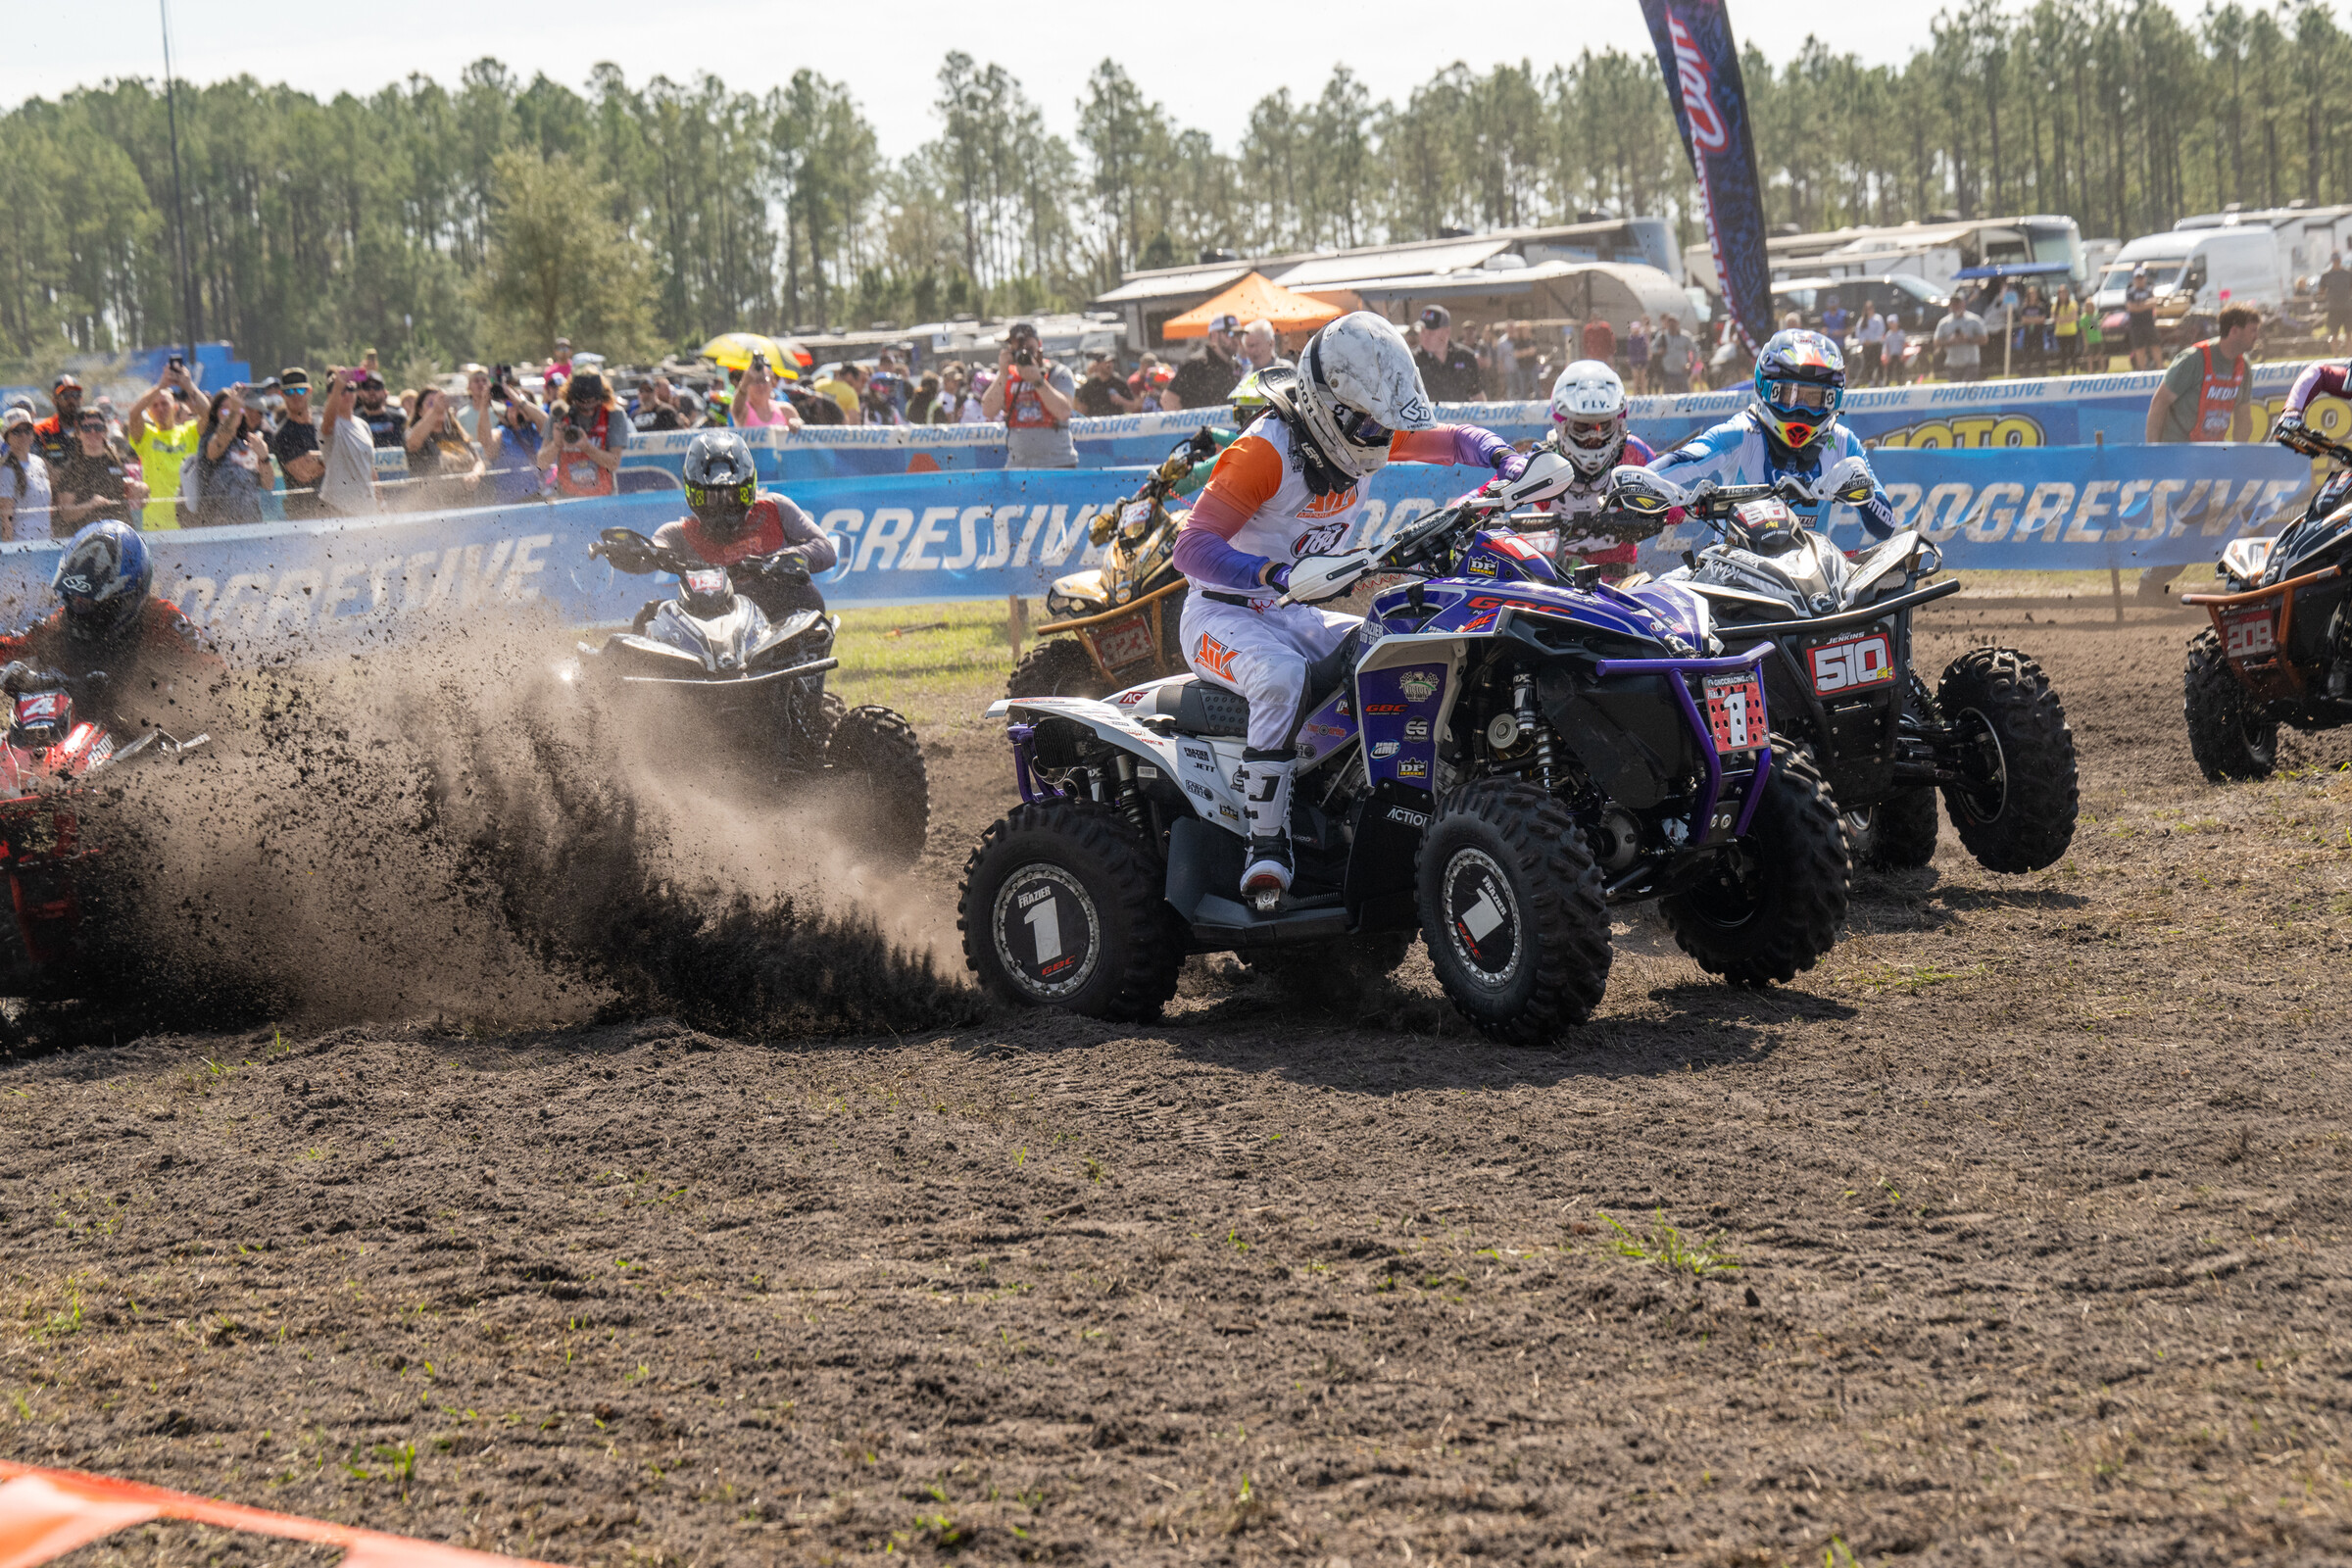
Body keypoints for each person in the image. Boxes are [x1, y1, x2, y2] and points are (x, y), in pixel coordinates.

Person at [1171, 311, 1528, 900]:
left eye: (1384, 426)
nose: (1379, 439)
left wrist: (1504, 459)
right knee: (1282, 679)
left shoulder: (1370, 423)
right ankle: (1266, 843)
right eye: (1368, 425)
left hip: (1294, 611)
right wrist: (1273, 572)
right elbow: (1191, 546)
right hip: (1222, 612)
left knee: (1393, 645)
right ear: (1327, 405)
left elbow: (1456, 439)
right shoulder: (1264, 452)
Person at [1643, 328, 1897, 543]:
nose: (1801, 409)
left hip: (1810, 580)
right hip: (1732, 577)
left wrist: (1866, 495)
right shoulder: (1741, 433)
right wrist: (1641, 482)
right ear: (1764, 388)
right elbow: (1685, 459)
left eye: (1815, 398)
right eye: (1788, 395)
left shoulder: (1843, 443)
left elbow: (1886, 527)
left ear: (1833, 399)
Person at [0, 522, 224, 727]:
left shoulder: (162, 620)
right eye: (75, 599)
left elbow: (217, 674)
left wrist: (165, 691)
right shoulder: (61, 623)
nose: (80, 610)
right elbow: (10, 644)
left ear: (125, 599)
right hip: (69, 734)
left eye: (90, 601)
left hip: (142, 734)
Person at [654, 429, 838, 621]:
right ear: (694, 494)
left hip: (775, 622)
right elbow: (654, 547)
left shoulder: (776, 507)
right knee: (652, 615)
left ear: (748, 489)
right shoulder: (678, 532)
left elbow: (825, 549)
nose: (723, 506)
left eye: (732, 496)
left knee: (806, 597)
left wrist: (782, 559)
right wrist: (644, 552)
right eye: (712, 497)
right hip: (711, 624)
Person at [1531, 361, 1657, 578]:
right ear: (1563, 424)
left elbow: (1676, 503)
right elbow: (1488, 495)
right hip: (1558, 585)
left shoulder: (1634, 454)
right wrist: (1459, 514)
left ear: (1618, 422)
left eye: (1602, 425)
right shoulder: (1543, 461)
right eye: (1582, 426)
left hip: (1622, 585)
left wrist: (1646, 514)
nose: (1594, 436)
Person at [2146, 305, 2261, 444]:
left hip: (2210, 450)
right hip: (2177, 448)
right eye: (2253, 331)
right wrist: (2153, 450)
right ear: (2234, 331)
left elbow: (2243, 418)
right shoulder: (2193, 359)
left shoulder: (2243, 366)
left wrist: (2237, 456)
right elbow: (2159, 402)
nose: (2257, 336)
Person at [981, 321, 1078, 468]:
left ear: (1039, 344)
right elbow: (988, 410)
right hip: (1018, 465)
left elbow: (1064, 412)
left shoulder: (1057, 372)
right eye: (1017, 345)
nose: (1022, 349)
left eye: (1027, 344)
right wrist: (1002, 373)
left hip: (1057, 463)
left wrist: (1038, 381)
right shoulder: (1008, 376)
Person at [125, 366, 203, 529]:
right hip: (156, 525)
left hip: (188, 522)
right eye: (154, 406)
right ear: (150, 412)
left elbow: (209, 413)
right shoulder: (147, 436)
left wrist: (188, 386)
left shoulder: (189, 431)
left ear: (175, 407)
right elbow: (133, 414)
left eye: (165, 404)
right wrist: (160, 386)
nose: (160, 409)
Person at [190, 385, 271, 525]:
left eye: (236, 408)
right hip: (217, 526)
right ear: (215, 413)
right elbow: (221, 440)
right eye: (225, 408)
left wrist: (264, 458)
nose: (230, 413)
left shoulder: (248, 443)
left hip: (252, 523)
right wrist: (234, 411)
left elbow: (268, 484)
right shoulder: (209, 440)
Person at [53, 409, 143, 534]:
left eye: (98, 427)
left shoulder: (117, 461)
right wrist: (90, 505)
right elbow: (66, 514)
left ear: (105, 431)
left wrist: (141, 489)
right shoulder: (72, 469)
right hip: (89, 538)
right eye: (86, 428)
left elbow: (137, 500)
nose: (93, 431)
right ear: (78, 433)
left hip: (121, 534)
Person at [470, 370, 552, 504]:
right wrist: (484, 405)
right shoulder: (503, 433)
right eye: (509, 404)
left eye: (517, 404)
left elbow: (548, 424)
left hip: (541, 500)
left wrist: (517, 399)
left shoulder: (537, 431)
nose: (513, 407)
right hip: (512, 504)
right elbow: (485, 441)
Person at [550, 369, 628, 497]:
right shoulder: (560, 414)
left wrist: (586, 447)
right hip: (567, 497)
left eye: (592, 403)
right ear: (572, 399)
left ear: (602, 397)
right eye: (582, 403)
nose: (588, 409)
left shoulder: (614, 414)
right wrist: (556, 444)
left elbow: (614, 464)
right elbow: (541, 462)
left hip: (604, 496)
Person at [317, 367, 380, 515]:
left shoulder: (363, 425)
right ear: (330, 394)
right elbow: (328, 423)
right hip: (337, 508)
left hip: (366, 508)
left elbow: (370, 469)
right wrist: (338, 385)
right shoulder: (329, 423)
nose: (347, 395)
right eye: (341, 391)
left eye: (350, 389)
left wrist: (381, 502)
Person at [268, 368, 325, 519]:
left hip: (335, 506)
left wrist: (316, 458)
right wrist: (333, 457)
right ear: (281, 395)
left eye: (300, 390)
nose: (295, 396)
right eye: (289, 392)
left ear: (309, 391)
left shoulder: (323, 421)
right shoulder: (283, 434)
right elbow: (304, 473)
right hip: (303, 513)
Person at [1168, 314, 1246, 410]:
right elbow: (1168, 399)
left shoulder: (1235, 366)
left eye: (1239, 334)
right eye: (1230, 333)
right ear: (1214, 336)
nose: (1236, 339)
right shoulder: (1196, 364)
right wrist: (1186, 423)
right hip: (1200, 424)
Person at [0, 409, 54, 541]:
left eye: (27, 430)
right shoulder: (6, 470)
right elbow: (6, 520)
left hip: (45, 543)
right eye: (16, 431)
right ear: (7, 437)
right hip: (21, 547)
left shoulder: (39, 462)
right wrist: (9, 553)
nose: (23, 435)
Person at [1411, 305, 1484, 403]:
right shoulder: (1412, 360)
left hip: (1461, 417)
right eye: (1422, 330)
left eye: (1431, 332)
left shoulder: (1466, 358)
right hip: (1426, 417)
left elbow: (1478, 397)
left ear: (1446, 332)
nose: (1425, 335)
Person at [31, 374, 83, 470]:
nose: (71, 400)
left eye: (76, 394)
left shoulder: (91, 428)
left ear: (81, 399)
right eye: (65, 396)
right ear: (54, 401)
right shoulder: (41, 430)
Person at [736, 359, 806, 429]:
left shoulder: (785, 410)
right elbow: (736, 411)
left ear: (772, 383)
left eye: (764, 381)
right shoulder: (744, 411)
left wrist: (798, 423)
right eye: (756, 381)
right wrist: (744, 384)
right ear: (747, 385)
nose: (760, 385)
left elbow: (801, 429)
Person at [1934, 298, 1986, 383]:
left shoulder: (1974, 320)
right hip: (1952, 363)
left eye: (1957, 303)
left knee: (1967, 390)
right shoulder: (1944, 322)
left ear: (1963, 304)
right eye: (1953, 304)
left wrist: (1967, 339)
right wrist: (1950, 341)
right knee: (1955, 392)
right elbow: (1936, 342)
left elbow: (1984, 339)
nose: (1955, 306)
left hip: (1971, 362)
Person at [1075, 353, 1139, 417]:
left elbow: (1134, 407)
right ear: (1098, 364)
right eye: (1106, 362)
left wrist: (1121, 400)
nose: (1109, 365)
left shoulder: (1119, 383)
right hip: (1096, 424)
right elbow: (1082, 409)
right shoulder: (1090, 385)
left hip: (1116, 424)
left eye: (1111, 362)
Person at [2125, 268, 2160, 370]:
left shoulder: (2149, 290)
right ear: (2134, 279)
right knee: (2139, 348)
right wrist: (2145, 305)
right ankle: (2142, 369)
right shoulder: (2130, 292)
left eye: (2141, 277)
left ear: (2145, 278)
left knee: (2155, 345)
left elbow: (2153, 302)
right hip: (2136, 324)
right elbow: (2131, 307)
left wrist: (2140, 306)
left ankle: (2159, 367)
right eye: (2137, 278)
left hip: (2149, 323)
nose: (2139, 280)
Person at [1655, 315, 1696, 396]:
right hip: (1668, 373)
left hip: (1682, 373)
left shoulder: (1685, 337)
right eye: (1670, 323)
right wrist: (1659, 350)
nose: (1672, 325)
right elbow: (1653, 348)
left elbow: (1695, 351)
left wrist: (1690, 364)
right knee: (1668, 399)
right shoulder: (1662, 336)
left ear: (1677, 324)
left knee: (1685, 398)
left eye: (1674, 323)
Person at [2323, 253, 2352, 353]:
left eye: (2338, 260)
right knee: (2334, 334)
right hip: (2333, 309)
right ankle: (2336, 356)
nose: (2336, 262)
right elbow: (2321, 290)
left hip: (2347, 308)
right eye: (2335, 260)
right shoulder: (2327, 275)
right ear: (2332, 261)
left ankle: (2349, 356)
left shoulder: (2347, 273)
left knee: (2349, 333)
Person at [2052, 288, 2082, 375]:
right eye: (2061, 293)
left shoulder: (2072, 304)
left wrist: (2062, 319)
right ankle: (2063, 371)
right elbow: (2055, 319)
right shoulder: (2055, 306)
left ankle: (2074, 371)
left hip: (2071, 332)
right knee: (2062, 354)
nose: (2063, 295)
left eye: (2064, 293)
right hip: (2060, 333)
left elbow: (2074, 317)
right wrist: (2067, 318)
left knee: (2072, 352)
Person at [1857, 307, 1886, 386]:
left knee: (1878, 362)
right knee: (1868, 363)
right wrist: (1864, 341)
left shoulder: (1878, 319)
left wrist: (1872, 340)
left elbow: (1881, 331)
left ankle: (1881, 380)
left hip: (1876, 344)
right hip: (1866, 346)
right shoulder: (1862, 320)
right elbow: (1858, 333)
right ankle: (1870, 380)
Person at [1881, 312, 1909, 387]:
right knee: (1889, 371)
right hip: (1891, 356)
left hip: (1899, 355)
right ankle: (1886, 384)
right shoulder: (1888, 335)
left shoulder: (1901, 333)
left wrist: (1903, 355)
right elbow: (1887, 346)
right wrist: (1887, 356)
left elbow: (1904, 344)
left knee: (1900, 370)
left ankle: (1901, 383)